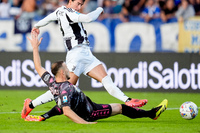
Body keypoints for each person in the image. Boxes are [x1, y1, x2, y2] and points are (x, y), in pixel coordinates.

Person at [21, 0, 148, 119]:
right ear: (70, 1)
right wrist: (99, 9)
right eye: (78, 3)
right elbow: (88, 18)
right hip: (76, 54)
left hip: (86, 53)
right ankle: (31, 105)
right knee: (64, 88)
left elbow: (48, 19)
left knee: (105, 79)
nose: (79, 7)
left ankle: (128, 100)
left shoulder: (60, 11)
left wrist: (37, 25)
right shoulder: (69, 12)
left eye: (81, 4)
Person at [24, 31, 168, 124]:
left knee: (62, 104)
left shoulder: (52, 82)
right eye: (66, 68)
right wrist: (86, 123)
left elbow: (38, 67)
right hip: (90, 112)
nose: (69, 69)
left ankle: (40, 115)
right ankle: (152, 114)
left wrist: (35, 47)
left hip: (88, 104)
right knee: (120, 108)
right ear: (62, 72)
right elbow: (66, 111)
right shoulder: (65, 88)